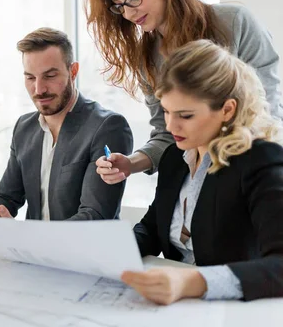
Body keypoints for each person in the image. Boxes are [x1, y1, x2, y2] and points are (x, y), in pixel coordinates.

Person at [87, 0, 283, 184]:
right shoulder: (146, 58)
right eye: (119, 5)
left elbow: (268, 114)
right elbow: (168, 135)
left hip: (251, 174)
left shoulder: (234, 22)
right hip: (192, 181)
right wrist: (130, 163)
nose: (128, 13)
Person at [121, 40, 283, 304]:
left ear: (227, 110)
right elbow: (151, 229)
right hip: (177, 307)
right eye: (166, 111)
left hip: (234, 311)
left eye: (185, 116)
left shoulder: (260, 160)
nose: (171, 126)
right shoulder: (175, 156)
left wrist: (192, 282)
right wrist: (109, 252)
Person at [0, 27, 133, 242]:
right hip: (33, 258)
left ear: (73, 71)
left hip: (85, 258)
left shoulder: (107, 126)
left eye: (50, 76)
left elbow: (95, 217)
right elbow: (6, 196)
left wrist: (23, 235)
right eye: (30, 77)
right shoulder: (24, 127)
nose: (39, 89)